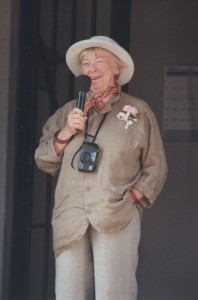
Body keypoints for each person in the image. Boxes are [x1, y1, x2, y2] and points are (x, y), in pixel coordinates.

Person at [35, 36, 168, 300]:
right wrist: (66, 132)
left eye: (99, 60)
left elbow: (156, 166)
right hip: (71, 215)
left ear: (117, 68)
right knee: (69, 292)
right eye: (86, 63)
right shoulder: (66, 113)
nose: (91, 68)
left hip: (116, 214)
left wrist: (131, 199)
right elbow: (43, 158)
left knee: (114, 293)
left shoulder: (138, 111)